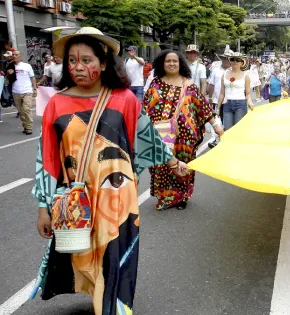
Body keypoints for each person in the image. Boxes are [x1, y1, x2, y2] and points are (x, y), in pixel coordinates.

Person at [31, 27, 190, 315]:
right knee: (83, 253)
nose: (78, 67)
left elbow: (148, 137)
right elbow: (47, 158)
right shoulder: (57, 103)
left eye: (87, 60)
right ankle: (98, 296)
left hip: (118, 195)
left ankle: (110, 305)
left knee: (115, 251)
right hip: (76, 198)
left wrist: (173, 163)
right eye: (72, 61)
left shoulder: (125, 99)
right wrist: (44, 206)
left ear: (104, 63)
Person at [144, 50, 224, 211]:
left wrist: (215, 125)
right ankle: (165, 197)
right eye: (168, 61)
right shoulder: (155, 84)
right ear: (162, 63)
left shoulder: (189, 85)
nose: (172, 64)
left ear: (180, 64)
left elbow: (203, 107)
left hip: (185, 135)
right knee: (160, 164)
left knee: (183, 165)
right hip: (160, 134)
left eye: (175, 61)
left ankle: (181, 196)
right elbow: (146, 109)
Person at [218, 52, 254, 130]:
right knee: (227, 129)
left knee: (238, 129)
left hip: (240, 104)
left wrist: (250, 103)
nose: (235, 62)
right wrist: (218, 109)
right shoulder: (224, 74)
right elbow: (221, 93)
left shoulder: (246, 76)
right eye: (232, 59)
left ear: (242, 63)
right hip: (227, 104)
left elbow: (248, 93)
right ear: (230, 61)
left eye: (238, 60)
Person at [207, 53, 231, 148]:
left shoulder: (233, 71)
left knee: (227, 121)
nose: (226, 61)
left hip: (229, 101)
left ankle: (226, 139)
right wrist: (210, 97)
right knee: (216, 120)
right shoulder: (216, 70)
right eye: (224, 59)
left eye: (228, 59)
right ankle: (215, 139)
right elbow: (211, 85)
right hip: (217, 100)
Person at [12, 50, 37, 135]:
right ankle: (25, 126)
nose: (14, 56)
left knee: (26, 109)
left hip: (27, 91)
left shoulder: (27, 66)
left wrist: (34, 89)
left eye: (16, 55)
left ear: (20, 56)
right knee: (21, 112)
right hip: (16, 92)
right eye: (13, 55)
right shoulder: (10, 66)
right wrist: (8, 74)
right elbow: (7, 80)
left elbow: (32, 77)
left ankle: (29, 127)